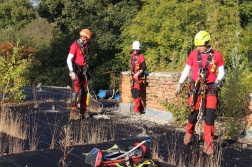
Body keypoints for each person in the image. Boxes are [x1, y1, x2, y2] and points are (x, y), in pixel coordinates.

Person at [175, 31, 225, 154]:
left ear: (208, 43)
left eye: (201, 45)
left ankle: (208, 143)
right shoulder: (193, 55)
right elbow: (186, 70)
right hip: (195, 88)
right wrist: (180, 83)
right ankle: (189, 131)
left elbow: (222, 72)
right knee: (193, 112)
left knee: (210, 115)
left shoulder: (217, 56)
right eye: (197, 46)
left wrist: (218, 80)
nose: (199, 48)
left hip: (210, 88)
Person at [67, 29, 91, 120]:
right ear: (83, 37)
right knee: (76, 91)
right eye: (87, 39)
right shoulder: (74, 46)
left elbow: (85, 59)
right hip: (76, 71)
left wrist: (87, 71)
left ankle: (83, 109)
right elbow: (68, 59)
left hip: (83, 70)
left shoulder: (84, 46)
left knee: (85, 90)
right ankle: (73, 110)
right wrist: (72, 72)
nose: (88, 41)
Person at [129, 41, 147, 115]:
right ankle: (141, 108)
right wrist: (130, 71)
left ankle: (136, 110)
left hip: (138, 77)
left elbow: (144, 67)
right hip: (133, 76)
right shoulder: (132, 55)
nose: (135, 51)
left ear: (138, 49)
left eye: (136, 50)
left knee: (136, 92)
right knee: (133, 92)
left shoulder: (140, 56)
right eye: (134, 50)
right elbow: (133, 65)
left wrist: (138, 72)